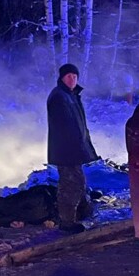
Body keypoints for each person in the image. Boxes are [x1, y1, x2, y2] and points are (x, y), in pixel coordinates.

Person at [47, 62, 99, 234]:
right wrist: (78, 146)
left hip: (72, 148)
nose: (72, 80)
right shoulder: (59, 97)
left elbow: (79, 125)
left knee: (76, 181)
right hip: (66, 150)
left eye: (75, 77)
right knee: (71, 184)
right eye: (69, 76)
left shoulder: (71, 95)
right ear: (62, 78)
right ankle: (67, 221)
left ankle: (81, 211)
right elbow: (66, 127)